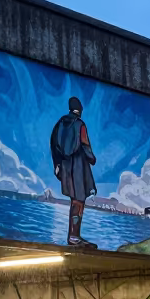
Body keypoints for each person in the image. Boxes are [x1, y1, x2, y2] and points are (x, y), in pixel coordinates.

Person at [50, 96, 97, 246]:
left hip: (65, 166)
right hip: (78, 167)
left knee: (74, 200)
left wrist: (57, 164)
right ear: (80, 110)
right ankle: (74, 237)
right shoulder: (80, 124)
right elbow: (85, 144)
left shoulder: (60, 123)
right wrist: (92, 158)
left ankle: (73, 236)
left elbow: (53, 144)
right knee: (79, 201)